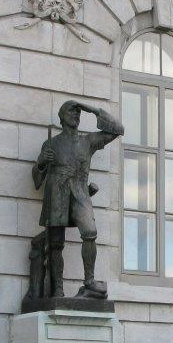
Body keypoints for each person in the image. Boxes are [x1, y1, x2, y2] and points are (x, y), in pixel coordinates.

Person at [32, 100, 124, 298]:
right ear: (62, 117)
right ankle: (58, 289)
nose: (76, 115)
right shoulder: (51, 144)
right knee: (56, 243)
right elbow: (37, 180)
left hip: (80, 193)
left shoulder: (87, 141)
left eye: (78, 112)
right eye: (71, 111)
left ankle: (89, 281)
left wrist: (91, 109)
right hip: (57, 193)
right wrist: (40, 163)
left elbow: (117, 129)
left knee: (90, 232)